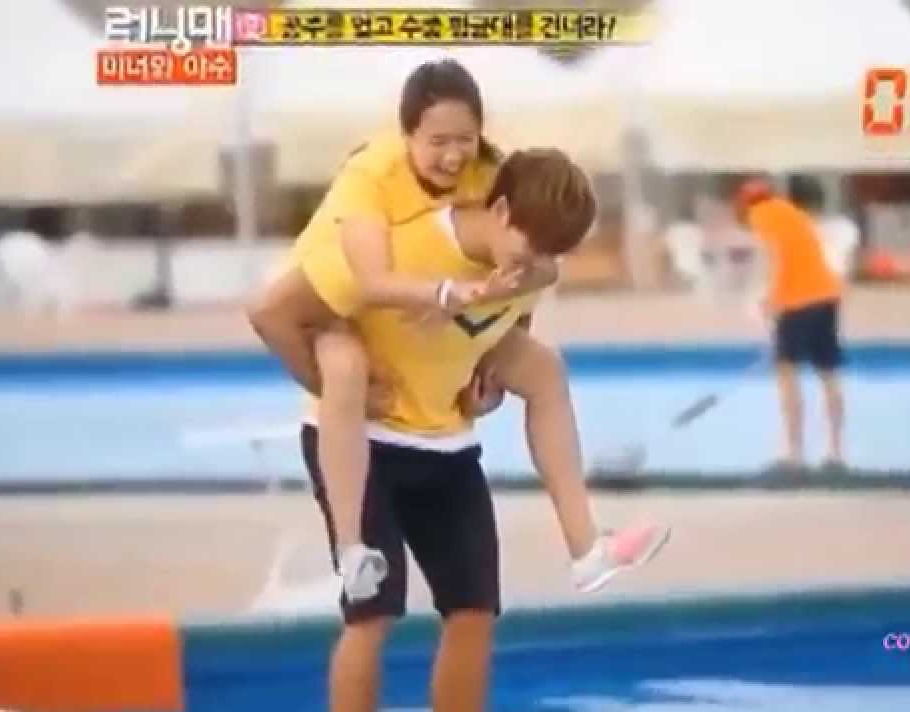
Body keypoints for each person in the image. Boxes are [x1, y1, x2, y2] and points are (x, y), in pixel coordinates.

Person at [248, 147, 671, 712]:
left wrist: (487, 390)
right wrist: (331, 381)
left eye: (550, 257)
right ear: (500, 211)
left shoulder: (534, 268)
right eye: (530, 250)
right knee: (372, 615)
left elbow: (502, 332)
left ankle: (586, 547)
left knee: (474, 612)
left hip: (445, 444)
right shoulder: (402, 247)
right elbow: (275, 312)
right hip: (363, 444)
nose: (536, 267)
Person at [257, 57, 663, 604]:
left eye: (464, 141)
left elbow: (524, 283)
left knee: (545, 369)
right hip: (339, 301)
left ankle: (586, 549)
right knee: (346, 367)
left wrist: (488, 365)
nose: (452, 156)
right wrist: (444, 299)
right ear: (408, 135)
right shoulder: (372, 182)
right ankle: (352, 550)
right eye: (437, 142)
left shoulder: (492, 179)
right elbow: (359, 286)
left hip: (433, 303)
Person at [734, 178, 846, 473]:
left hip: (797, 302)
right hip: (827, 297)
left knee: (786, 375)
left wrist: (769, 300)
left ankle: (794, 455)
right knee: (828, 375)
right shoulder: (794, 213)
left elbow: (774, 258)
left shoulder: (760, 216)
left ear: (744, 205)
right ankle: (835, 453)